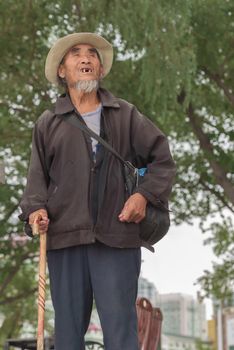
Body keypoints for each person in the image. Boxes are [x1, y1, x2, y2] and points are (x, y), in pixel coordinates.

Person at [19, 32, 176, 350]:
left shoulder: (126, 114)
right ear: (63, 71)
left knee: (121, 334)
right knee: (67, 337)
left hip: (117, 237)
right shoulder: (48, 123)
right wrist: (36, 211)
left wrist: (142, 196)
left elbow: (162, 160)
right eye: (75, 53)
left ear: (100, 70)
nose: (86, 58)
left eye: (92, 54)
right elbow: (37, 180)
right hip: (65, 239)